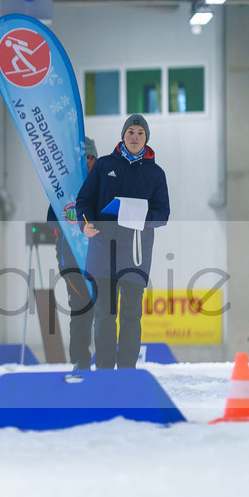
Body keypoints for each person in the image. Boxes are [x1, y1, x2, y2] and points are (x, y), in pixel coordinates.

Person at [75, 114, 170, 369]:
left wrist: (138, 215)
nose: (135, 137)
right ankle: (105, 369)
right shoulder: (105, 166)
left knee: (131, 315)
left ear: (146, 138)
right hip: (103, 251)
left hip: (135, 255)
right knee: (105, 315)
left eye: (140, 133)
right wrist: (86, 224)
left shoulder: (155, 174)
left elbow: (163, 214)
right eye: (130, 132)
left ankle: (127, 371)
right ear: (123, 136)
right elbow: (83, 200)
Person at [48, 136, 98, 370]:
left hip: (102, 259)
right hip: (72, 261)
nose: (87, 162)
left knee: (105, 309)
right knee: (80, 308)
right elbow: (51, 222)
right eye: (83, 158)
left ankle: (107, 360)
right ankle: (80, 360)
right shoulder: (64, 189)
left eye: (91, 158)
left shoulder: (103, 185)